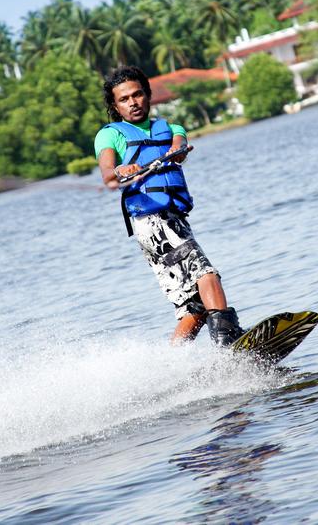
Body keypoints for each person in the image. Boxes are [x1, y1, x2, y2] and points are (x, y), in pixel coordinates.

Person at [95, 65, 245, 346]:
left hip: (172, 219)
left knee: (195, 306)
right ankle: (230, 343)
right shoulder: (110, 135)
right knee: (207, 275)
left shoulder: (170, 128)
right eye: (124, 99)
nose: (133, 102)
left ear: (148, 95)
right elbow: (107, 170)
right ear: (115, 106)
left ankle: (169, 367)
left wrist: (177, 150)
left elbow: (178, 147)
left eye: (137, 95)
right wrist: (121, 171)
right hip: (151, 222)